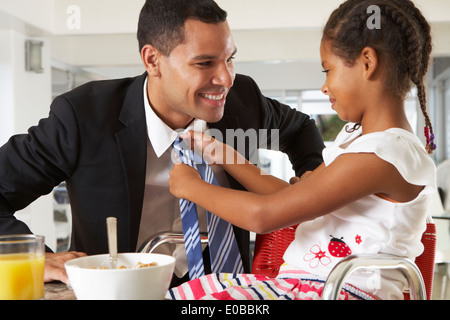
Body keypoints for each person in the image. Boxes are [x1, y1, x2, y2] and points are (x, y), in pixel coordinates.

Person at [0, 0, 324, 286]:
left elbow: (299, 129)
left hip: (227, 290)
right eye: (205, 63)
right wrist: (34, 257)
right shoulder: (83, 117)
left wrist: (312, 184)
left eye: (230, 59)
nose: (226, 78)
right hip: (123, 290)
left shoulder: (243, 101)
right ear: (153, 60)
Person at [167, 0, 437, 300]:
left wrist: (191, 187)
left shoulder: (382, 155)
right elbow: (286, 198)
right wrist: (225, 156)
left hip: (336, 291)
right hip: (310, 286)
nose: (324, 87)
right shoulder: (364, 146)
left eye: (328, 70)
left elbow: (264, 216)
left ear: (367, 63)